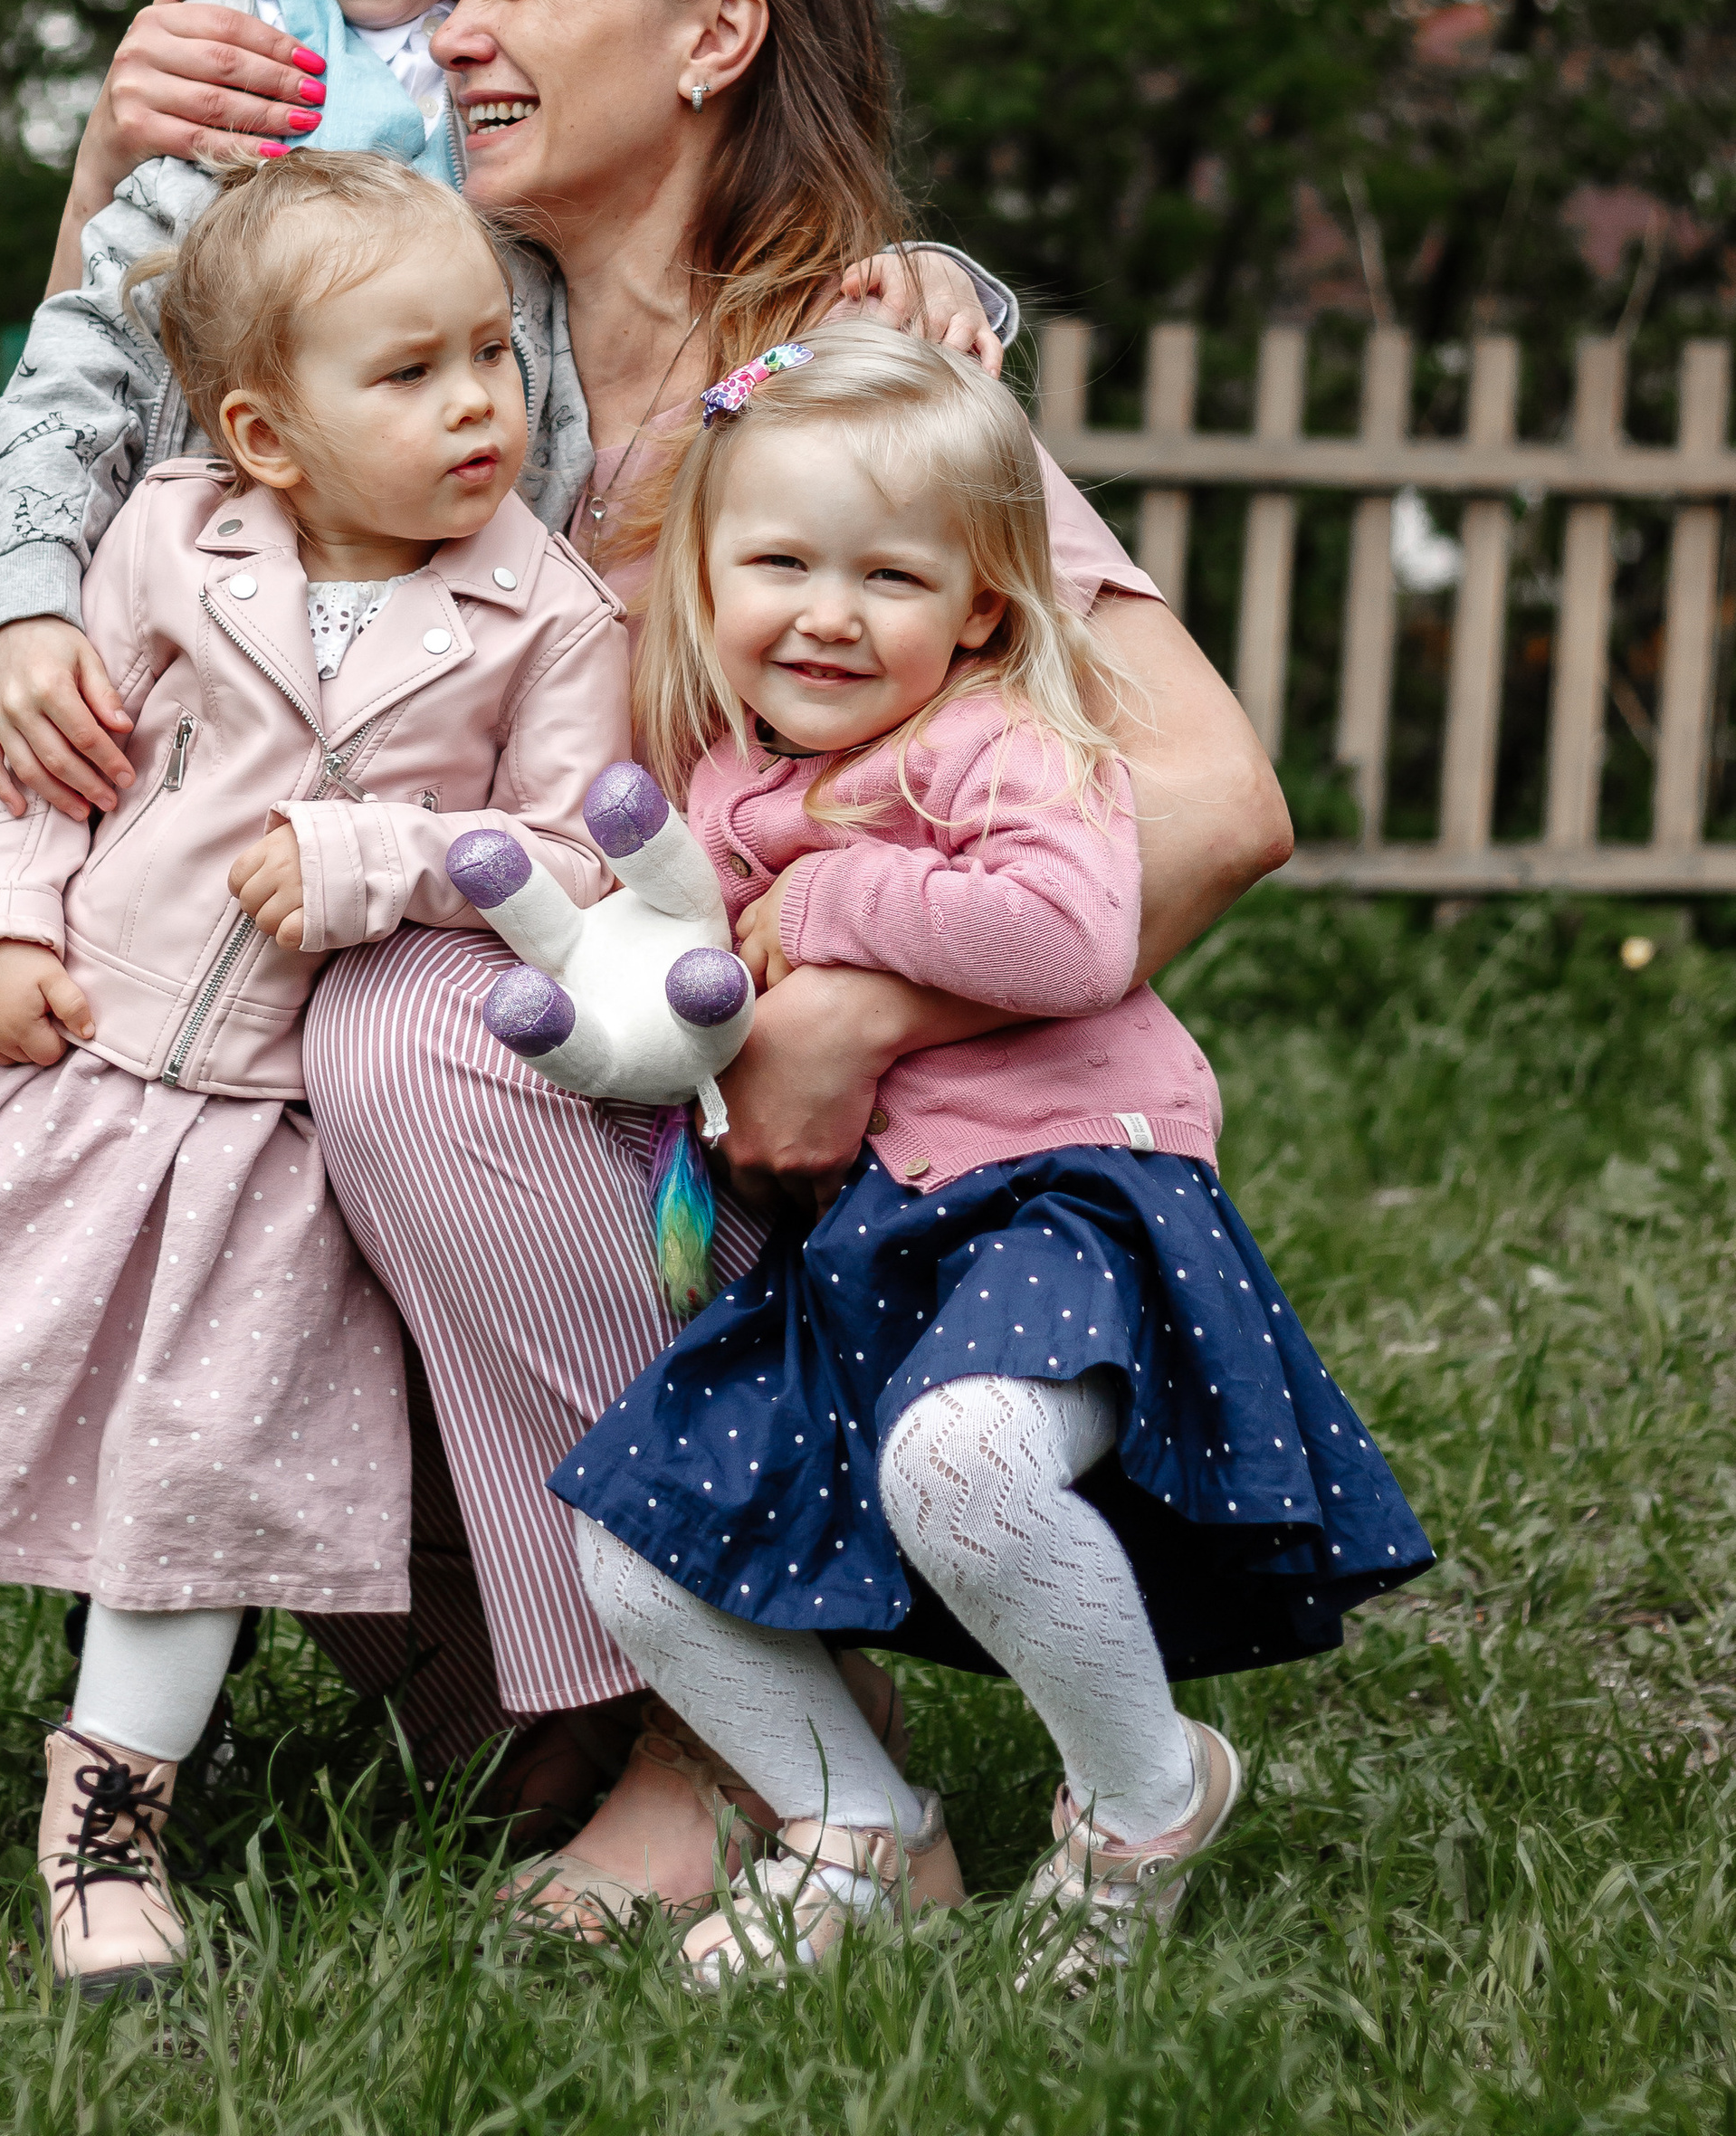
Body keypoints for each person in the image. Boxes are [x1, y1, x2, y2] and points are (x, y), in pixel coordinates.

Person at [0, 0, 1296, 1920]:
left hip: (816, 1178)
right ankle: (560, 1670)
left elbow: (1216, 799)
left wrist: (857, 1002)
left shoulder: (848, 381)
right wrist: (122, 166)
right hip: (534, 1121)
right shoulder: (439, 333)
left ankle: (759, 1746)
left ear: (712, 37)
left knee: (411, 1018)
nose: (453, 26)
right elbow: (145, 440)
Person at [0, 156, 631, 1986]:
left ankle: (108, 1825)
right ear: (264, 435)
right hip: (74, 1080)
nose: (475, 406)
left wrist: (376, 862)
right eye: (411, 374)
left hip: (275, 1144)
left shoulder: (548, 615)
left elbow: (573, 856)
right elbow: (50, 781)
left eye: (491, 360)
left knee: (198, 1493)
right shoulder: (166, 540)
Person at [549, 326, 1431, 1984]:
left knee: (962, 1465)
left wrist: (822, 900)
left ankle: (1143, 1797)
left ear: (979, 609)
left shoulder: (997, 741)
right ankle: (854, 1822)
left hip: (1069, 1203)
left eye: (890, 575)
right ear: (706, 575)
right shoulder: (728, 779)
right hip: (880, 1236)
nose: (827, 610)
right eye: (780, 564)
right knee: (631, 1530)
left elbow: (1070, 935)